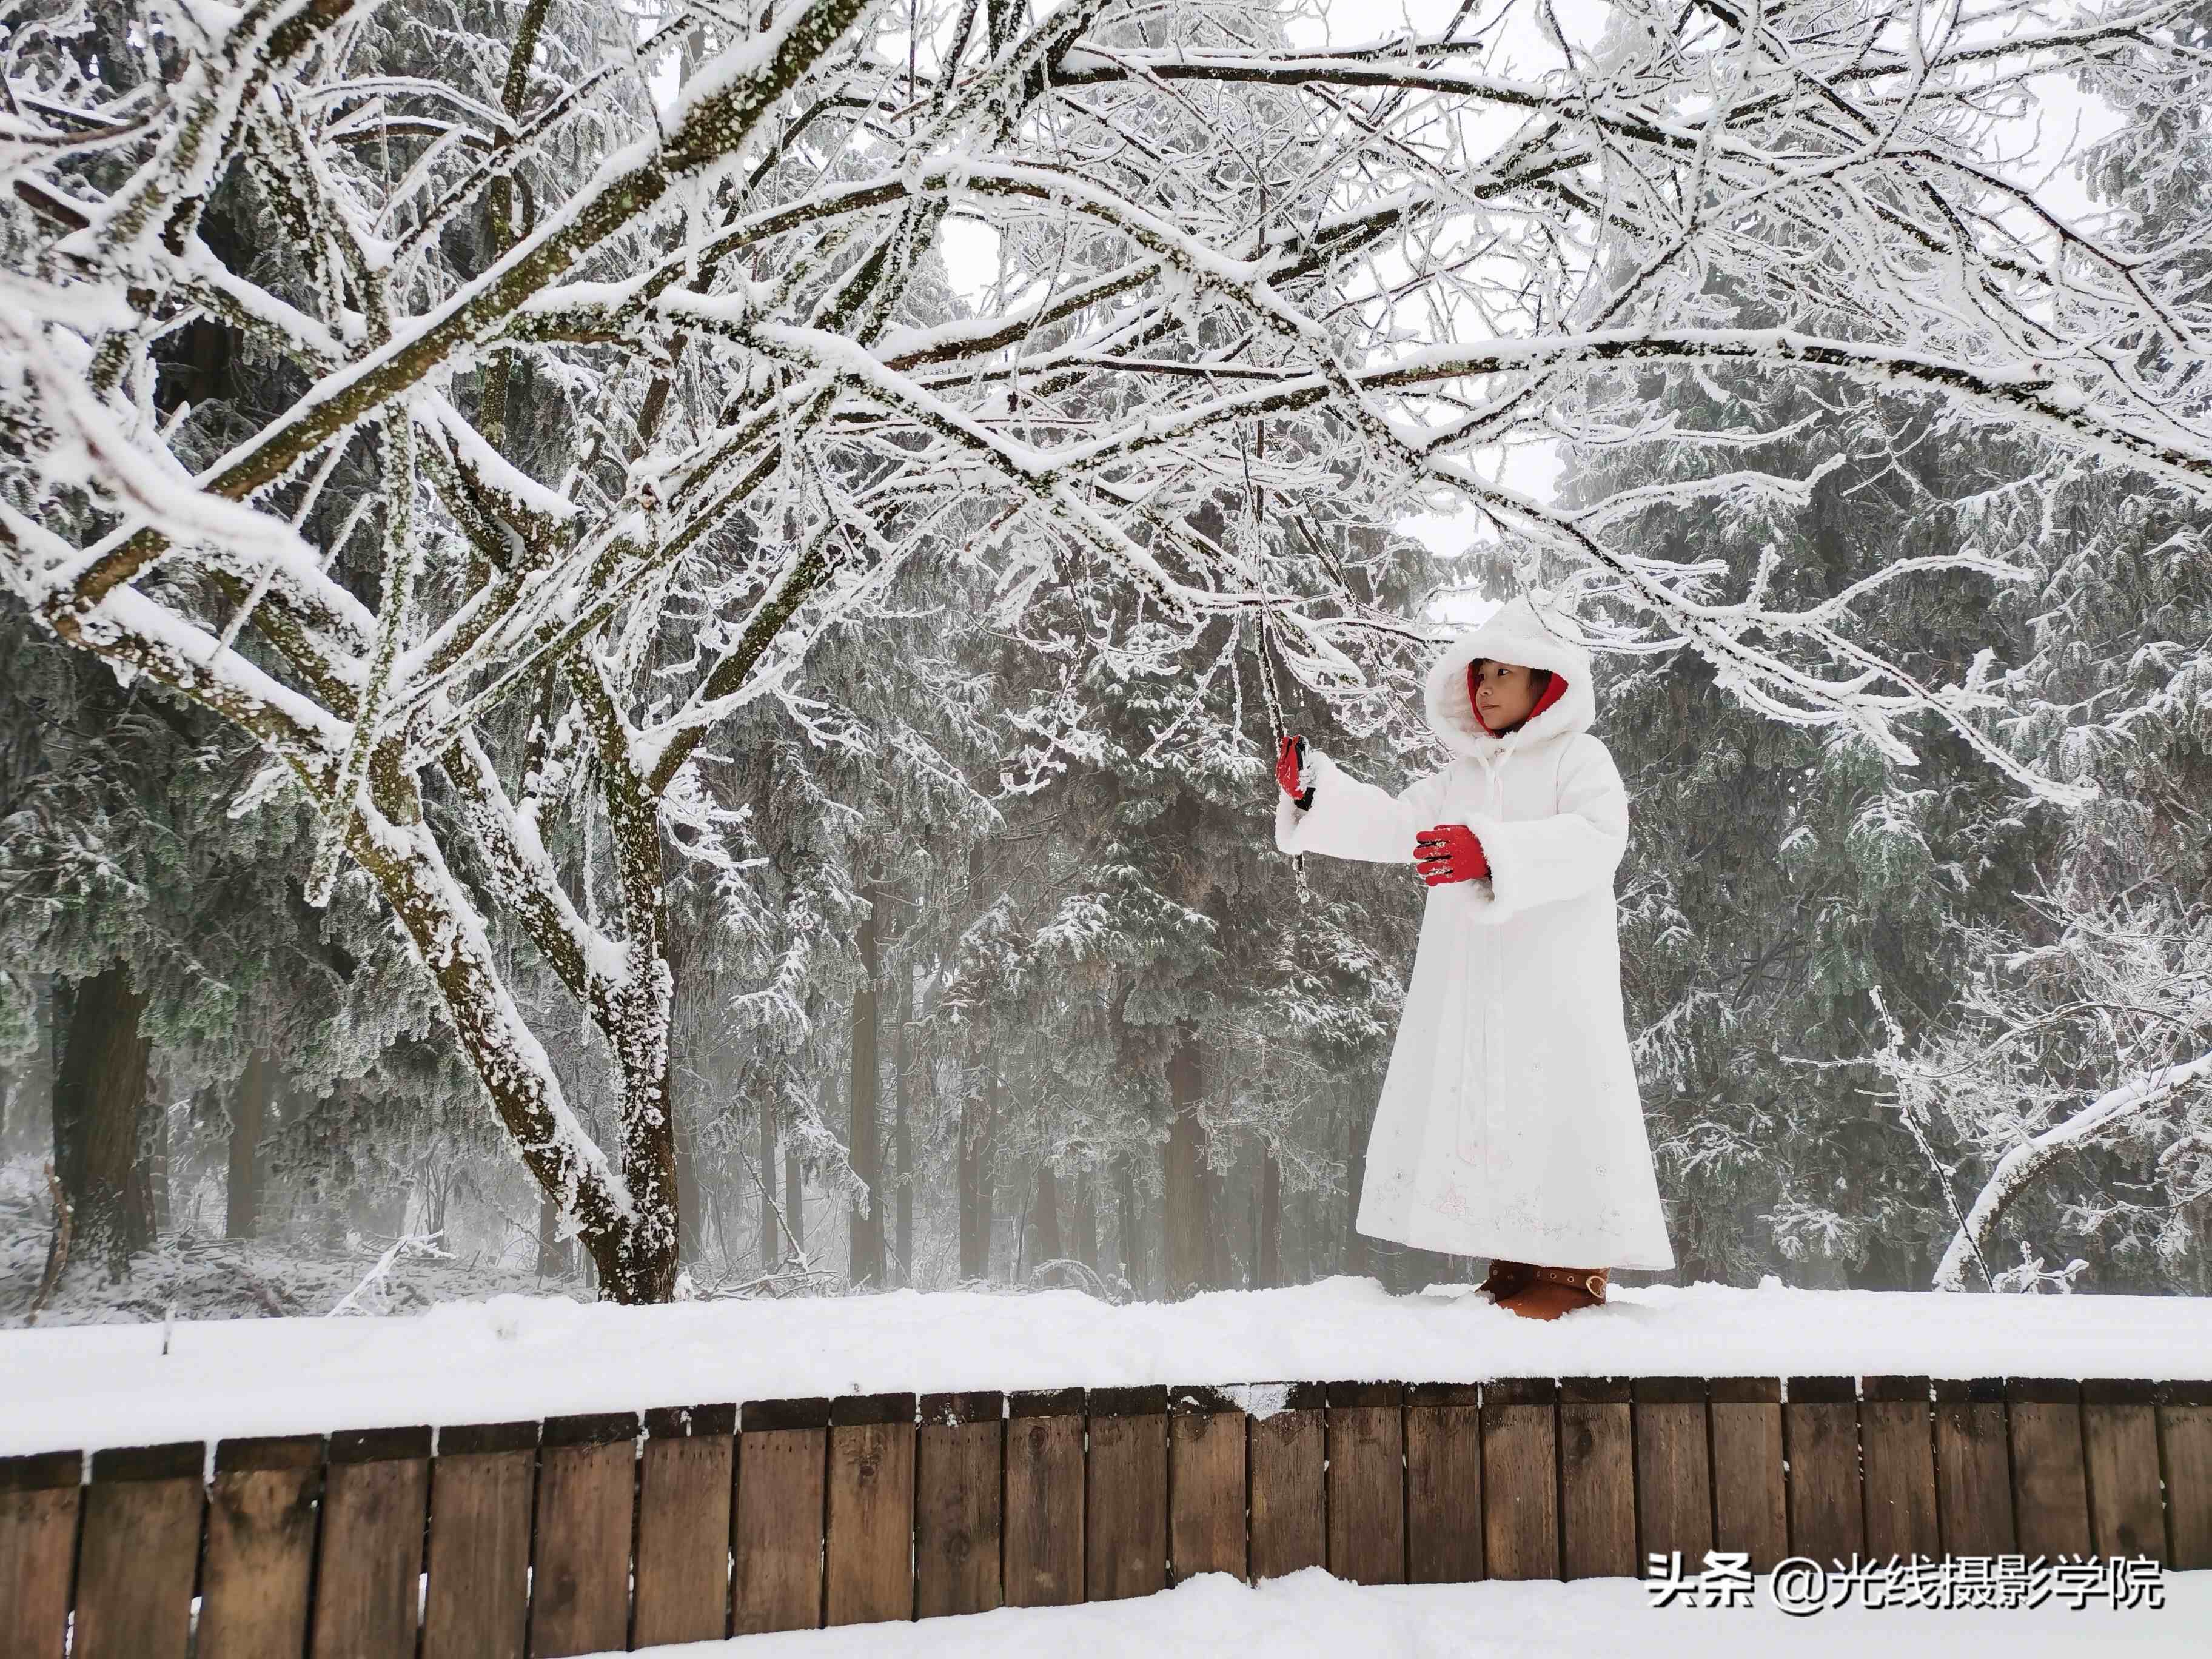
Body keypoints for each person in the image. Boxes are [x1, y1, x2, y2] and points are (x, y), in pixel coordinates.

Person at [1271, 593, 1674, 1319]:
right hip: (1475, 986)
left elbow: (1598, 838)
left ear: (1546, 682)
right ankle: (1516, 1259)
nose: (1483, 687)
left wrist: (1488, 850)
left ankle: (1575, 1269)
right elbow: (1400, 826)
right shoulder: (1461, 776)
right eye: (1477, 672)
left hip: (1553, 985)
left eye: (1502, 673)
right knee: (1492, 1104)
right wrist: (1316, 793)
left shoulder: (1580, 759)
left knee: (1557, 1101)